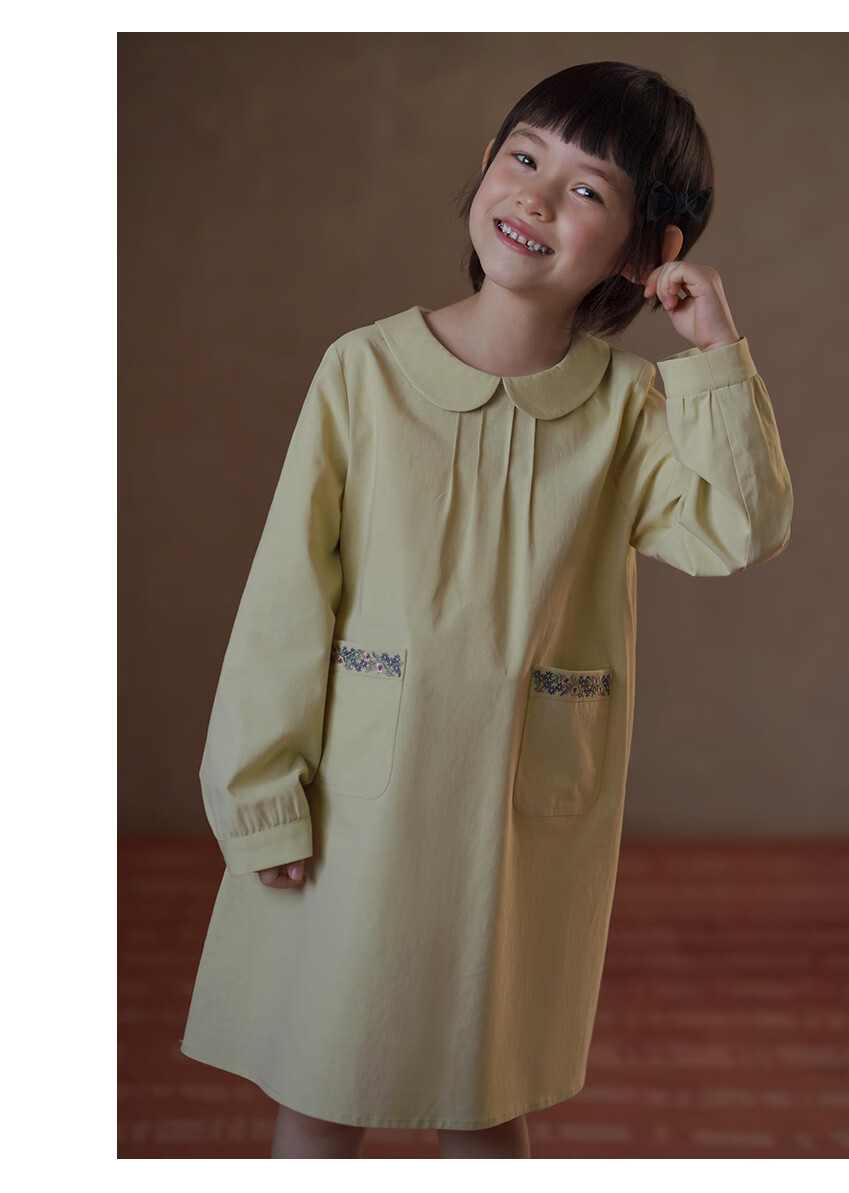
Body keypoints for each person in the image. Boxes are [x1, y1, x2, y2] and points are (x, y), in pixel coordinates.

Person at [179, 61, 794, 1159]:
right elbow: (285, 599)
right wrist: (261, 788)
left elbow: (739, 528)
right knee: (321, 1073)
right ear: (484, 165)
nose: (539, 197)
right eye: (524, 157)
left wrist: (713, 352)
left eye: (589, 189)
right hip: (355, 801)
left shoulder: (630, 410)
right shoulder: (365, 372)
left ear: (648, 250)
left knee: (482, 1087)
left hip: (514, 815)